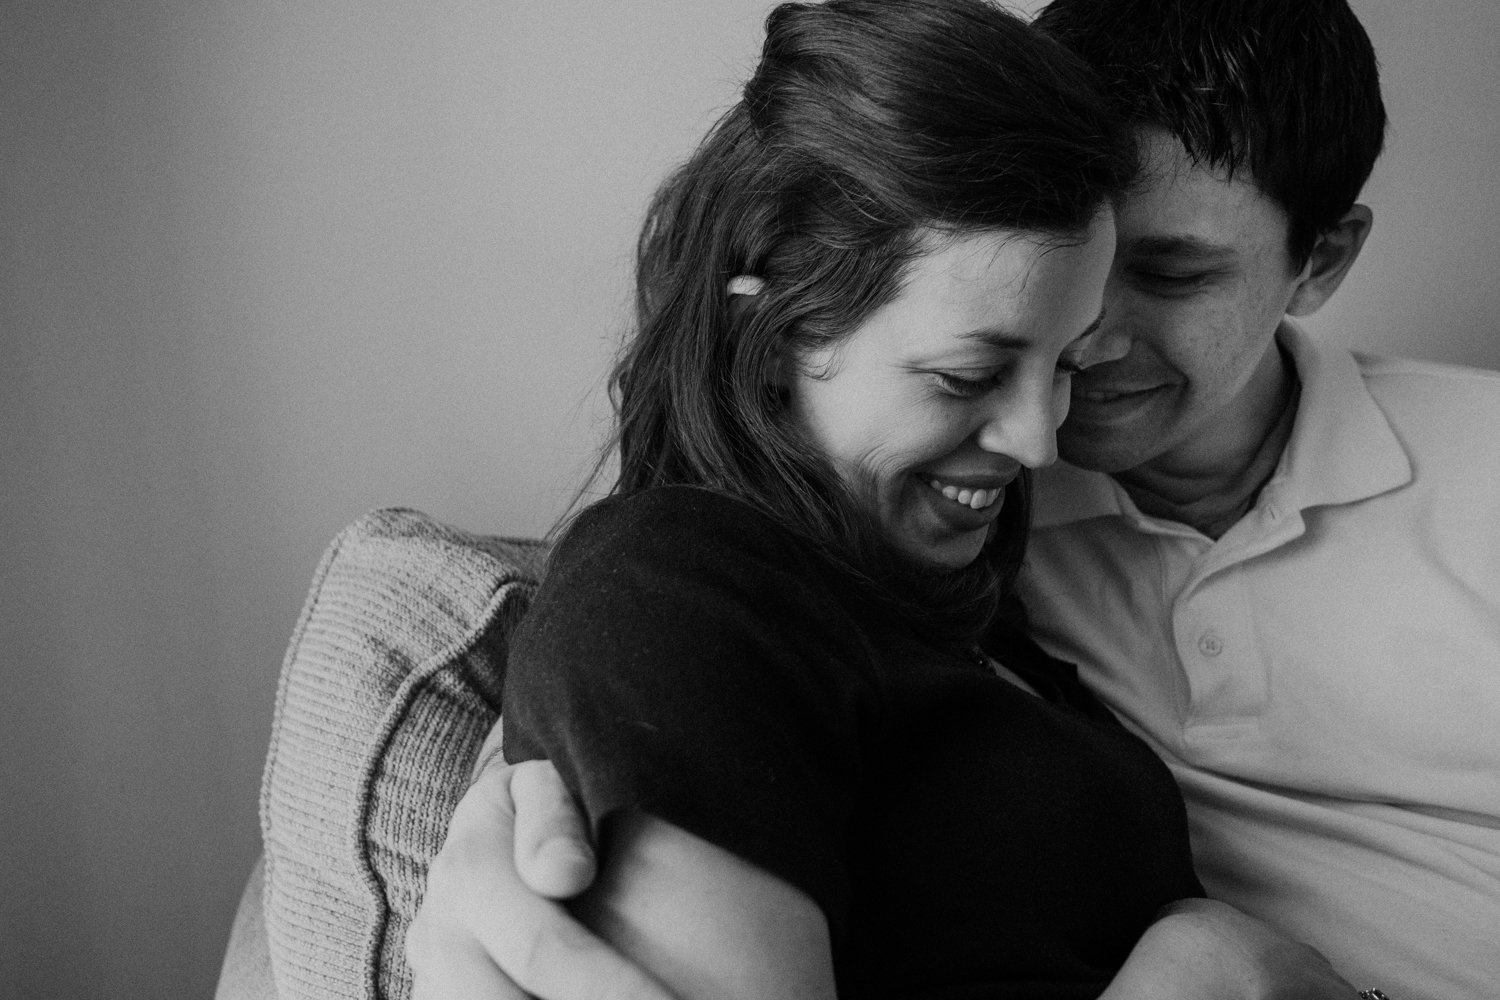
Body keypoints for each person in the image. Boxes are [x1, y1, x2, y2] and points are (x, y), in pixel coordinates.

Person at [410, 0, 1500, 997]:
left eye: (1168, 275)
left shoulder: (969, 575)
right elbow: (655, 640)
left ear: (1324, 259)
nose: (1051, 414)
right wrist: (500, 816)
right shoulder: (874, 530)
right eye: (980, 367)